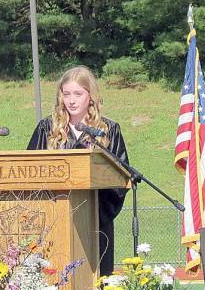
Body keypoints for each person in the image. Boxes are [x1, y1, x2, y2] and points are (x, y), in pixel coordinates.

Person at [27, 66, 129, 276]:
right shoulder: (47, 129)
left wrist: (98, 212)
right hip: (53, 225)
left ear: (90, 96)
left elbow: (120, 180)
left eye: (78, 94)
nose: (71, 100)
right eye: (66, 94)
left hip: (95, 225)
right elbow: (29, 173)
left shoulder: (108, 131)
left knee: (96, 285)